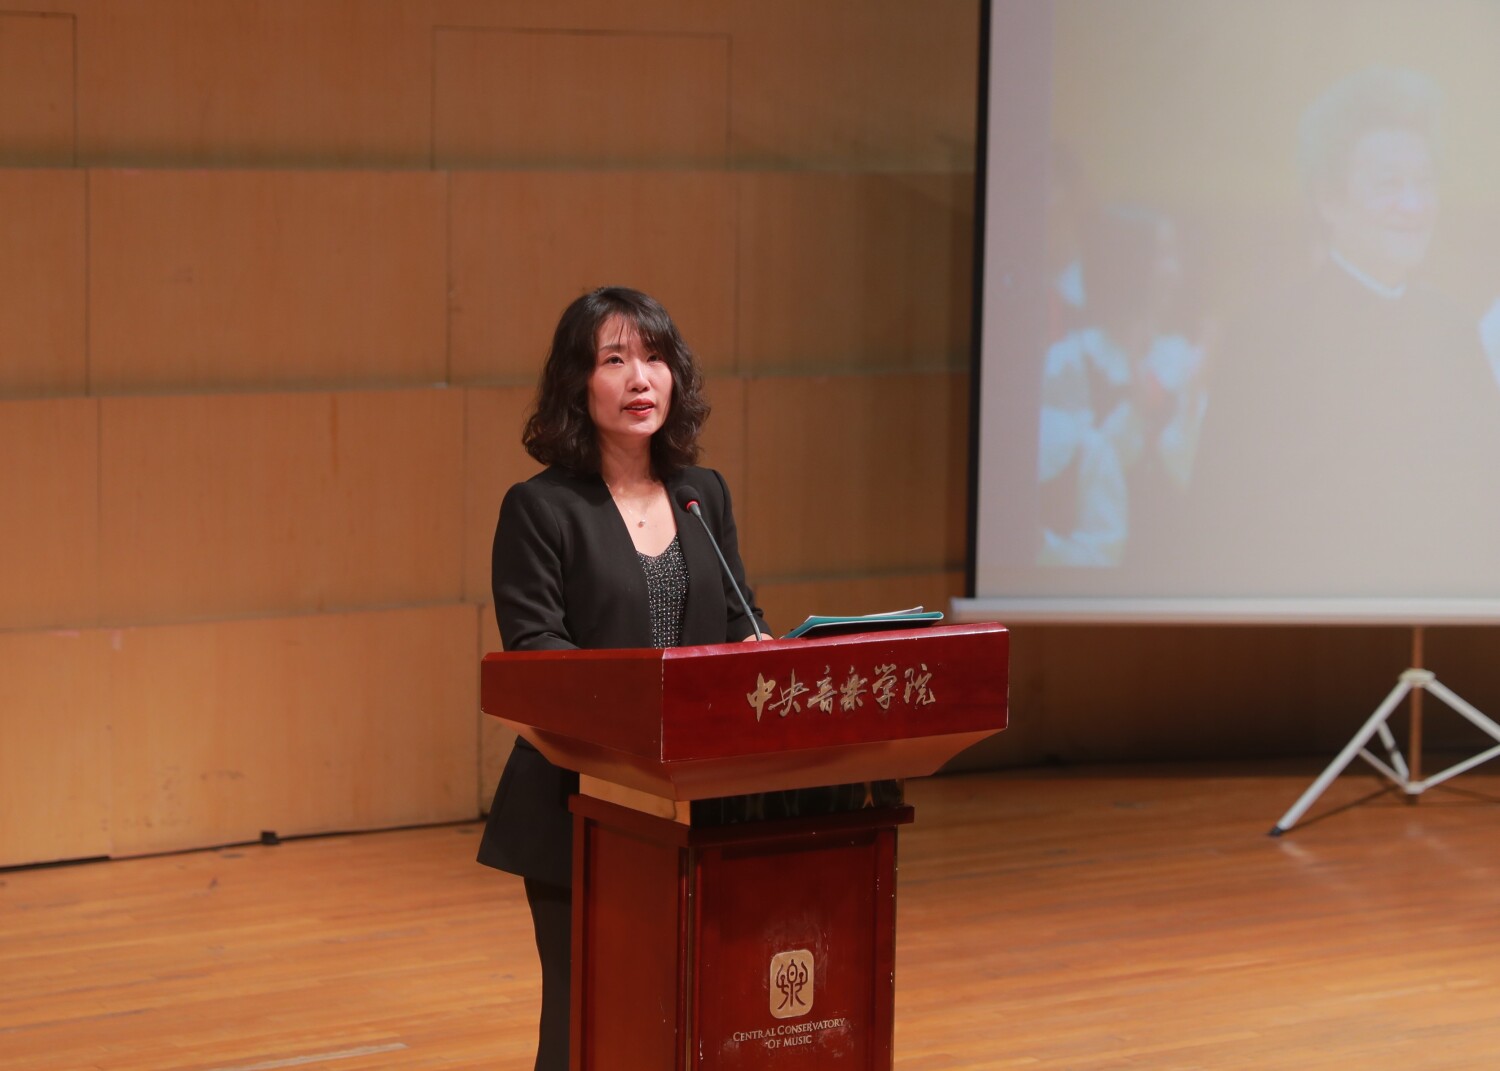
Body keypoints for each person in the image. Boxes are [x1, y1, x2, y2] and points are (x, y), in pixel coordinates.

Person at [477, 286, 769, 1071]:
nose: (641, 378)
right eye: (615, 360)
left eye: (656, 357)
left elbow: (738, 619)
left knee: (689, 1016)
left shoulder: (702, 495)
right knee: (586, 1025)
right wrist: (641, 715)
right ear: (578, 384)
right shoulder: (540, 509)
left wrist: (760, 650)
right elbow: (536, 653)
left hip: (697, 802)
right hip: (582, 806)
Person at [1183, 67, 1500, 596]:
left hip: (1442, 612)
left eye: (1424, 183)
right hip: (1299, 620)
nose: (1414, 206)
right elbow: (1219, 521)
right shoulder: (1265, 335)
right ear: (1328, 199)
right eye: (1389, 185)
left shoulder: (1454, 331)